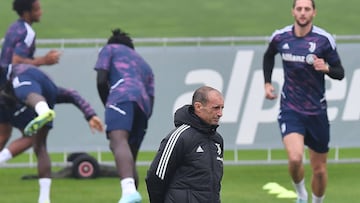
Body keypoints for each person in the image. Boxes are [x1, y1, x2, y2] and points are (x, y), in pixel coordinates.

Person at [262, 0, 345, 203]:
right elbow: (268, 56)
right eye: (299, 8)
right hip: (290, 108)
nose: (302, 12)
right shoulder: (280, 37)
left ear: (314, 13)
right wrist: (267, 83)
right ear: (293, 12)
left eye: (307, 9)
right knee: (295, 158)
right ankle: (301, 195)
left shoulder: (324, 40)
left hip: (317, 111)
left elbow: (340, 73)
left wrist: (326, 68)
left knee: (319, 170)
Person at [94, 28, 155, 203]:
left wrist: (108, 103)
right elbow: (151, 97)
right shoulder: (144, 64)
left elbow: (101, 79)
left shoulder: (109, 49)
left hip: (121, 96)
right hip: (143, 106)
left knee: (118, 140)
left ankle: (128, 192)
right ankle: (131, 193)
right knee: (130, 159)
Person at [0, 63, 72, 203]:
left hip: (20, 97)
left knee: (35, 141)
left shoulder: (19, 81)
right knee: (37, 144)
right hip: (17, 96)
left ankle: (44, 199)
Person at [146, 86, 224, 203]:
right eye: (216, 108)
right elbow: (156, 176)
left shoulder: (217, 140)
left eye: (222, 108)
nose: (220, 113)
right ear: (198, 107)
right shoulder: (180, 136)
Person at [0, 86, 104, 164]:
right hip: (15, 100)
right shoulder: (29, 81)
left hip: (15, 99)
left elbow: (71, 94)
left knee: (34, 143)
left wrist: (90, 115)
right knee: (36, 143)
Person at [0, 0, 60, 68]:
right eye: (37, 10)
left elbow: (19, 59)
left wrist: (45, 58)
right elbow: (16, 62)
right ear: (26, 13)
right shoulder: (27, 32)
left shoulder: (14, 27)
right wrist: (44, 61)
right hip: (11, 77)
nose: (41, 12)